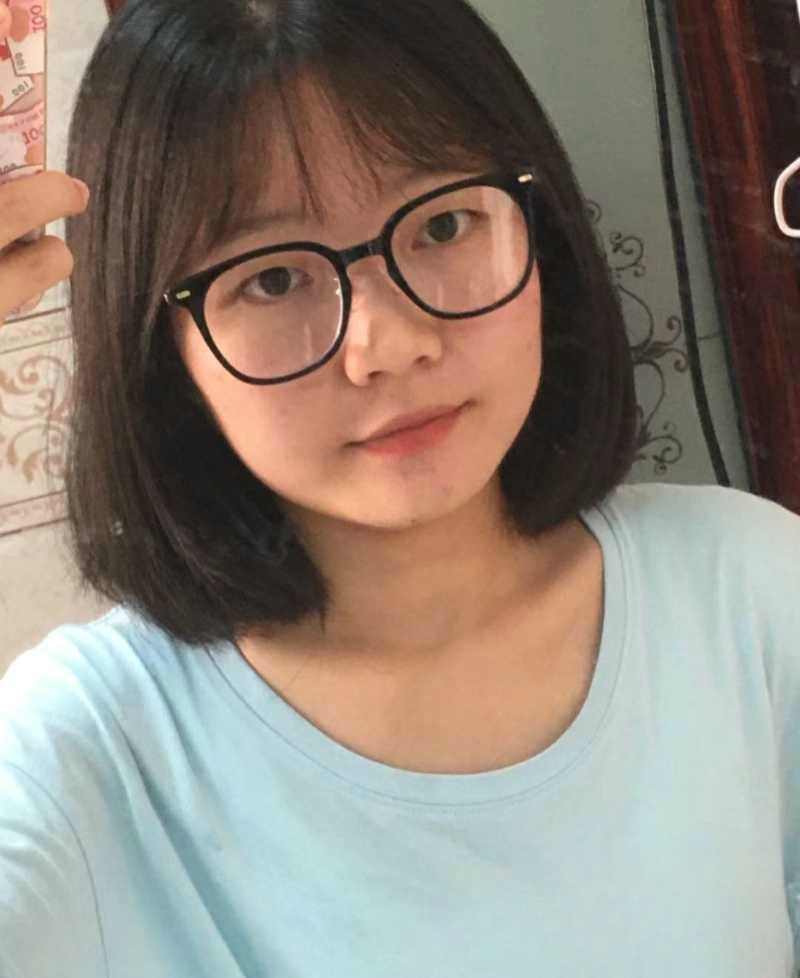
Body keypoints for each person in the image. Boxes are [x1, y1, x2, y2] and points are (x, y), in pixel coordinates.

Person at [1, 1, 798, 975]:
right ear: (163, 351)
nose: (388, 343)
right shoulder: (86, 747)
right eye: (272, 279)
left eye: (443, 224)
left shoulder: (749, 591)